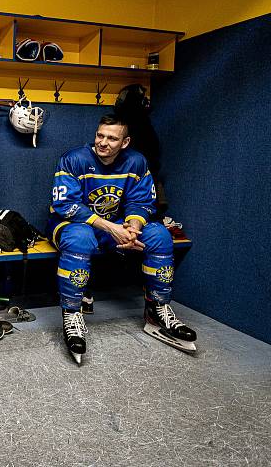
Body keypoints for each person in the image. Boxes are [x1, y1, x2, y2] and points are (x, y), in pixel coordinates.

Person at [47, 114, 197, 365]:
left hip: (117, 226)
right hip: (73, 225)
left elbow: (141, 202)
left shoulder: (137, 162)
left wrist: (133, 228)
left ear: (125, 142)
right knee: (80, 238)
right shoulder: (74, 159)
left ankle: (156, 309)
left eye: (112, 138)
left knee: (159, 234)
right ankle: (72, 314)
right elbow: (66, 205)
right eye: (100, 135)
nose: (103, 142)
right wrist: (112, 229)